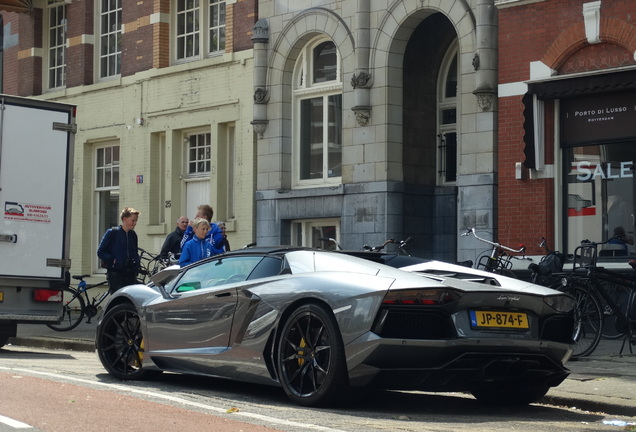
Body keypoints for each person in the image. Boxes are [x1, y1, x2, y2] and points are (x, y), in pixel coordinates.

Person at [97, 207, 141, 294]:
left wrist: (136, 264)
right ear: (125, 219)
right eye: (133, 220)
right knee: (119, 299)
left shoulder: (133, 235)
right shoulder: (112, 233)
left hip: (130, 273)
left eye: (136, 221)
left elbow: (135, 252)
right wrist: (113, 260)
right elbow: (100, 252)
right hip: (115, 273)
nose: (135, 223)